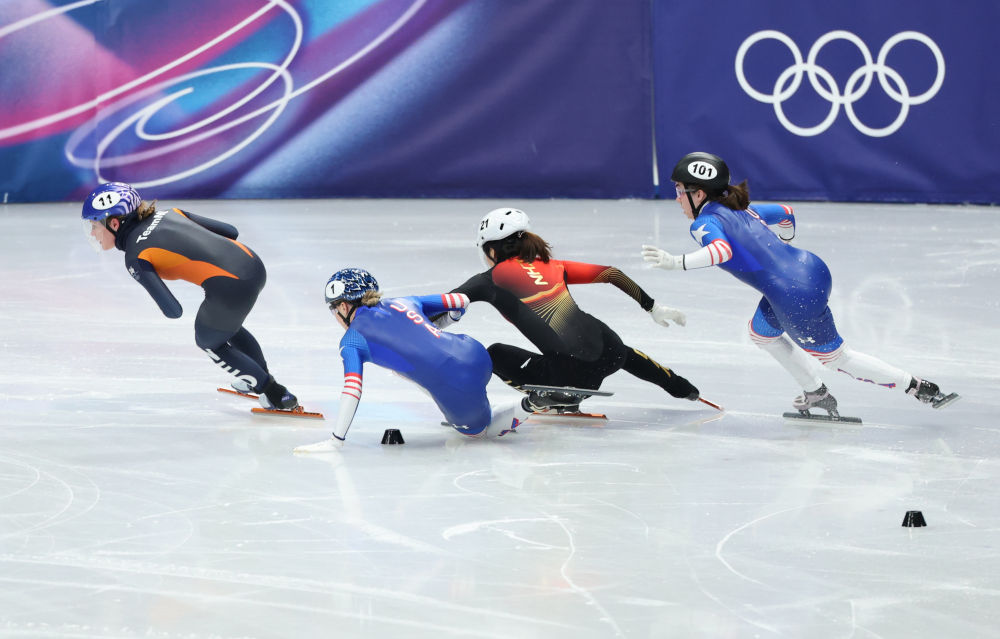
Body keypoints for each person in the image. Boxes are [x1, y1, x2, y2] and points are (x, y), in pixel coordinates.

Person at [641, 151, 956, 415]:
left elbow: (721, 251)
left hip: (792, 293)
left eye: (679, 191)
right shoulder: (741, 207)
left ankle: (916, 386)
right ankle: (815, 392)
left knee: (838, 359)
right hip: (810, 268)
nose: (677, 199)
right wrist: (783, 248)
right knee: (761, 333)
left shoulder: (705, 221)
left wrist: (675, 263)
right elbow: (786, 213)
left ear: (698, 194)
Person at [446, 207, 701, 412]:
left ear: (491, 250)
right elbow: (612, 273)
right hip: (612, 350)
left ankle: (553, 398)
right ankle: (682, 387)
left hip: (571, 374)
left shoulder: (489, 279)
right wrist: (653, 307)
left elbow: (445, 302)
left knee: (494, 354)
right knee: (620, 351)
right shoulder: (554, 266)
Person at [81, 181, 298, 410]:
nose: (93, 233)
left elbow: (173, 310)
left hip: (231, 286)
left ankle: (275, 393)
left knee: (208, 340)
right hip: (252, 263)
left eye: (94, 226)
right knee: (224, 326)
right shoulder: (171, 212)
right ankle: (256, 375)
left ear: (114, 223)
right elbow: (231, 231)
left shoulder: (136, 255)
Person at [295, 268, 530, 452]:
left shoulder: (352, 339)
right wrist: (441, 324)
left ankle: (531, 404)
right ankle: (464, 406)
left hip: (452, 381)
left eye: (333, 310)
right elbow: (460, 301)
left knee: (479, 433)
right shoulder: (403, 301)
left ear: (344, 306)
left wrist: (336, 440)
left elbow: (352, 390)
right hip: (473, 351)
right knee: (405, 370)